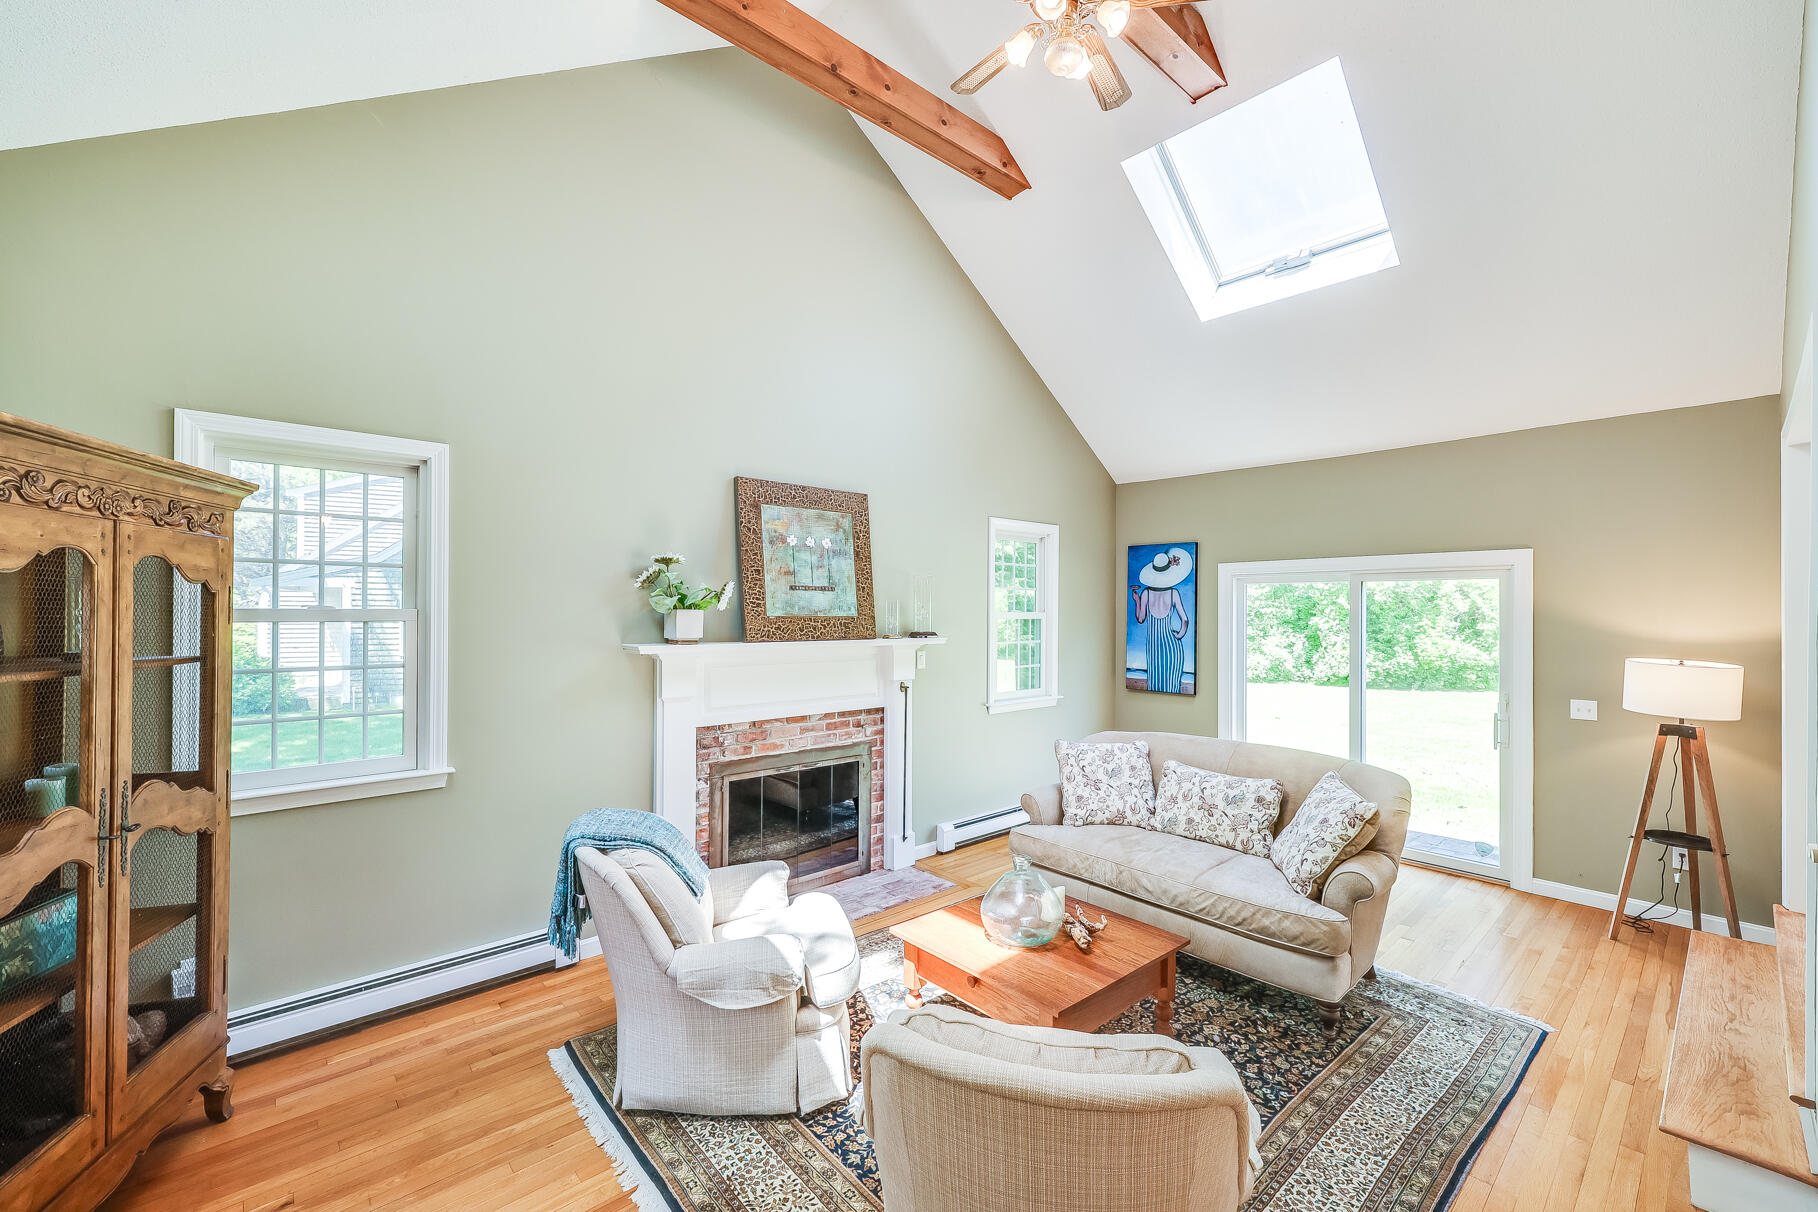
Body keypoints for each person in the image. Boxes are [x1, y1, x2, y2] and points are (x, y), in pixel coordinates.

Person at [1132, 547, 1192, 693]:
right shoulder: (1173, 593)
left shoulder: (1145, 593)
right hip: (1172, 646)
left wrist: (1137, 600)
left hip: (1153, 647)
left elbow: (1140, 619)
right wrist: (1178, 635)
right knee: (1171, 685)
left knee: (1155, 684)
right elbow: (1185, 620)